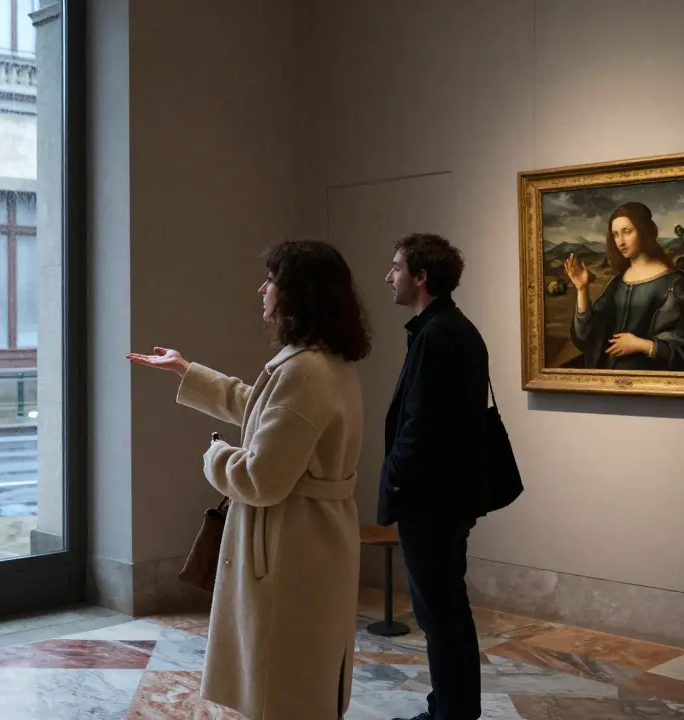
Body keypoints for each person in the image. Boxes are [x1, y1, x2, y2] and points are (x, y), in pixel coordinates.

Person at [128, 238, 371, 720]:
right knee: (302, 674)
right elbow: (261, 408)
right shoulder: (324, 362)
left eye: (272, 281)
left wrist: (215, 455)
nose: (262, 289)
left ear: (296, 294)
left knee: (282, 681)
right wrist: (186, 370)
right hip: (313, 536)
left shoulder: (303, 371)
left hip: (291, 543)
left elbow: (261, 479)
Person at [379, 233, 489, 720]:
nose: (390, 276)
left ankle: (451, 714)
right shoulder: (449, 327)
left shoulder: (439, 333)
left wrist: (395, 479)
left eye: (397, 267)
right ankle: (450, 707)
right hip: (446, 496)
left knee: (440, 616)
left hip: (431, 500)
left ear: (421, 276)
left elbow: (421, 426)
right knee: (448, 612)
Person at [563, 201, 684, 371]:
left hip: (651, 384)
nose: (620, 241)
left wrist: (641, 345)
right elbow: (588, 336)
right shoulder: (618, 283)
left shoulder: (675, 284)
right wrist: (582, 289)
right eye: (616, 234)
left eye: (627, 232)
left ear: (645, 231)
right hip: (610, 383)